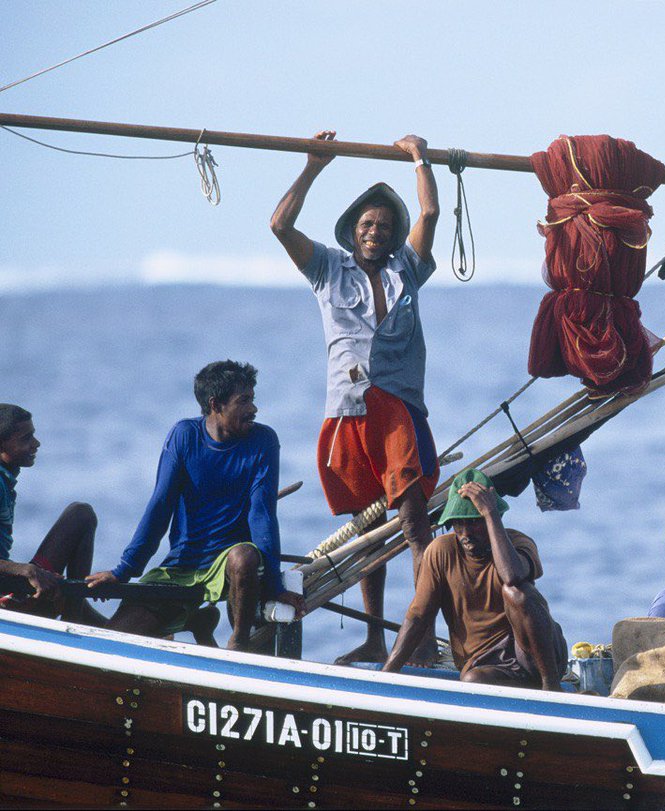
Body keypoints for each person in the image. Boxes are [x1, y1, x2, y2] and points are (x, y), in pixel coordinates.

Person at [271, 130, 440, 666]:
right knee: (369, 529)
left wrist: (420, 159)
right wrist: (313, 165)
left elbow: (430, 215)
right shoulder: (326, 267)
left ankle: (420, 637)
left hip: (397, 407)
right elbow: (279, 225)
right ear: (354, 232)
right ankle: (373, 636)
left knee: (414, 522)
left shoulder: (404, 269)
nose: (376, 232)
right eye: (368, 224)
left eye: (384, 226)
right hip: (348, 408)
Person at [85, 361, 304, 650]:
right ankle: (196, 622)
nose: (254, 408)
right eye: (244, 401)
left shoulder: (263, 440)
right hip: (183, 565)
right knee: (113, 643)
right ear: (215, 404)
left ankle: (237, 644)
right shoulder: (184, 436)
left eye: (253, 398)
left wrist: (275, 586)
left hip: (230, 566)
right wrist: (124, 570)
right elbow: (160, 506)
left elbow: (261, 514)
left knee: (244, 557)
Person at [382, 469, 567, 691]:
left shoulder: (518, 543)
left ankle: (551, 686)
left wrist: (490, 514)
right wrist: (387, 675)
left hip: (534, 655)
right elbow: (418, 616)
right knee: (471, 680)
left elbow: (512, 576)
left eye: (474, 521)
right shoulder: (441, 552)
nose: (466, 532)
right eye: (459, 523)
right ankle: (531, 688)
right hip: (486, 665)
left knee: (515, 592)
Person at [0, 404, 105, 625]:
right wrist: (25, 570)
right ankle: (75, 619)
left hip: (9, 586)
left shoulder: (6, 479)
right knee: (80, 514)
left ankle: (76, 611)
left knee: (80, 514)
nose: (36, 444)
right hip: (6, 601)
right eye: (26, 438)